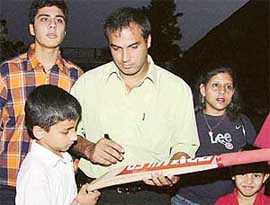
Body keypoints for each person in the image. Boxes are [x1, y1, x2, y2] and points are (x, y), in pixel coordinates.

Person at [70, 7, 199, 205]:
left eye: (133, 46)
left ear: (148, 41)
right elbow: (68, 136)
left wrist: (175, 167)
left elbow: (184, 144)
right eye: (116, 48)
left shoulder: (176, 89)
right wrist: (89, 149)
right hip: (97, 194)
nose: (125, 58)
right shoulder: (87, 84)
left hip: (153, 195)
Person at [0, 0, 83, 204]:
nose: (52, 25)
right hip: (9, 183)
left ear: (65, 30)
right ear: (31, 28)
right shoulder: (7, 73)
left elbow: (79, 132)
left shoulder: (77, 77)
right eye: (44, 19)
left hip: (58, 182)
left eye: (59, 20)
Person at [172, 65, 257, 205]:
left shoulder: (242, 123)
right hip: (186, 200)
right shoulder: (188, 120)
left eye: (228, 87)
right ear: (203, 90)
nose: (222, 91)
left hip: (228, 201)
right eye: (215, 85)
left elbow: (256, 165)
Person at [15, 85, 100, 205]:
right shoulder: (35, 173)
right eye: (66, 131)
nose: (74, 137)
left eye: (75, 129)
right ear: (39, 132)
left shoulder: (63, 157)